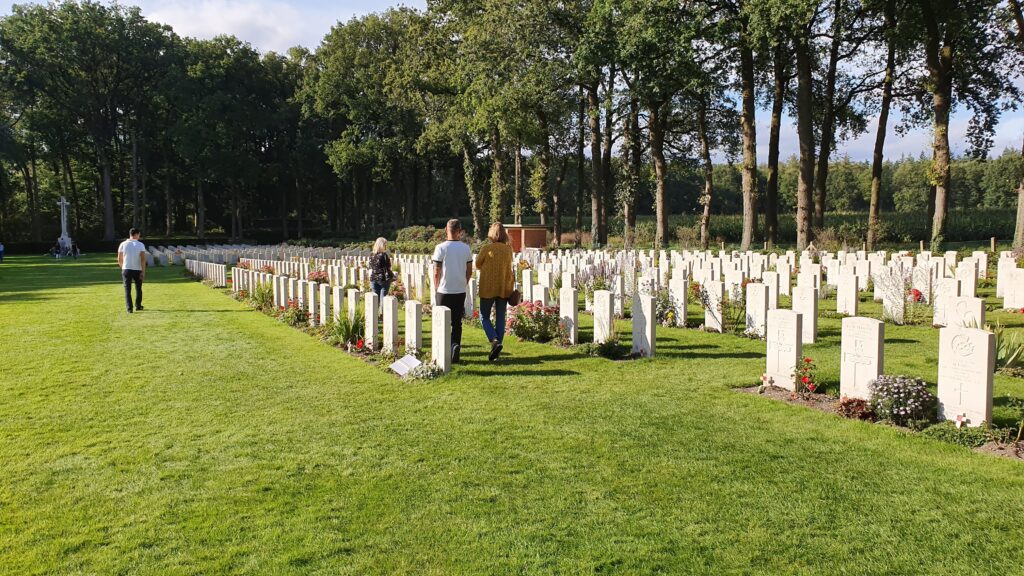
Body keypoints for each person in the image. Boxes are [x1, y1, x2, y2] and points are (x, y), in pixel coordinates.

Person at [432, 219, 473, 363]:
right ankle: (455, 346)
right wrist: (464, 283)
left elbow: (437, 271)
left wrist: (436, 288)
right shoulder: (466, 248)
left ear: (446, 229)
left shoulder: (440, 248)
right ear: (460, 231)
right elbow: (469, 271)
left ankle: (442, 351)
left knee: (440, 321)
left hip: (444, 290)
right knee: (457, 323)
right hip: (459, 290)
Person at [475, 222, 514, 361]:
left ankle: (494, 340)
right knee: (500, 318)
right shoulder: (508, 250)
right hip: (503, 287)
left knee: (484, 316)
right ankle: (497, 348)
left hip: (488, 287)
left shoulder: (487, 248)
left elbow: (478, 264)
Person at [117, 228, 148, 313]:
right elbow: (143, 259)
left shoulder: (123, 244)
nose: (139, 236)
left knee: (127, 289)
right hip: (137, 269)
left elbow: (119, 259)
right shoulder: (140, 245)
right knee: (138, 288)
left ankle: (129, 309)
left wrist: (123, 267)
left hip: (126, 268)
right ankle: (138, 306)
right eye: (139, 234)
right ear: (136, 234)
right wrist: (143, 272)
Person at [369, 237, 395, 302]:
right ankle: (382, 312)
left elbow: (371, 266)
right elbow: (387, 267)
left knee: (375, 301)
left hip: (373, 278)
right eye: (385, 245)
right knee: (383, 299)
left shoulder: (371, 254)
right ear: (382, 245)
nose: (386, 246)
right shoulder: (384, 255)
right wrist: (392, 276)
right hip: (383, 279)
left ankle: (374, 312)